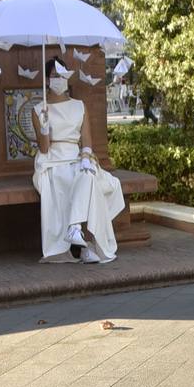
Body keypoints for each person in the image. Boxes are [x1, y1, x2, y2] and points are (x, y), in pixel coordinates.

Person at [33, 57, 125, 263]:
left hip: (76, 157)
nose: (58, 79)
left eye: (61, 75)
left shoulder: (79, 106)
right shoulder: (38, 109)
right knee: (75, 180)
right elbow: (44, 147)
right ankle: (80, 243)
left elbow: (87, 142)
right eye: (54, 76)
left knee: (88, 175)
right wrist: (45, 126)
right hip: (52, 162)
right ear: (47, 80)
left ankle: (76, 231)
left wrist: (85, 158)